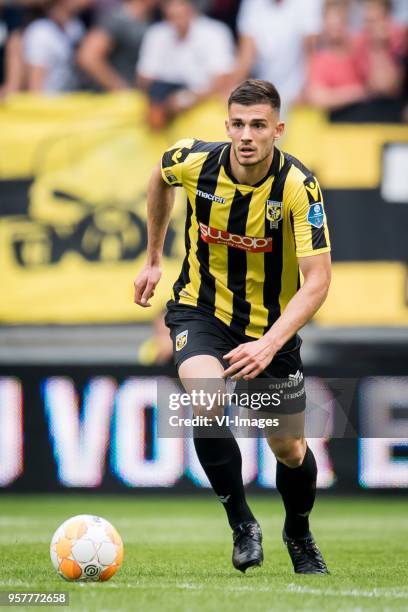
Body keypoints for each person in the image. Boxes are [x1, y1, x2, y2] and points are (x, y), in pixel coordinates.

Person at [134, 79, 331, 574]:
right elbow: (159, 175)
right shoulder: (195, 161)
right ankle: (243, 524)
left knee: (288, 448)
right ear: (227, 126)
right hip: (200, 310)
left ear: (278, 130)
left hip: (271, 329)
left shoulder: (297, 186)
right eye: (238, 124)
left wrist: (269, 343)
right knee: (205, 395)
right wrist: (154, 258)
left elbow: (317, 282)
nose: (247, 135)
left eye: (258, 126)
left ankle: (299, 533)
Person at [136, 0, 235, 129]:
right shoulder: (156, 33)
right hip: (163, 98)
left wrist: (187, 98)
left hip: (203, 105)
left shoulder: (215, 32)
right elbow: (144, 78)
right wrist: (162, 101)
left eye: (180, 5)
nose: (175, 10)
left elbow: (223, 79)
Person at [234, 0, 323, 113]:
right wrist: (234, 88)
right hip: (263, 94)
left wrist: (306, 90)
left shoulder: (308, 3)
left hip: (297, 95)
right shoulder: (252, 3)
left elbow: (311, 54)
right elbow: (246, 58)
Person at [77, 0, 157, 91]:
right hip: (111, 99)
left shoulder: (154, 20)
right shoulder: (117, 19)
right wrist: (120, 89)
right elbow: (88, 58)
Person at [306, 0, 368, 110]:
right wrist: (357, 93)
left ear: (347, 23)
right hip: (340, 121)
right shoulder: (320, 60)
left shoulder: (360, 49)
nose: (335, 30)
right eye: (331, 24)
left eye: (338, 24)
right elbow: (318, 98)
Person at [23, 0, 91, 93]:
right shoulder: (40, 31)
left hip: (73, 100)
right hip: (49, 103)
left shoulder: (76, 27)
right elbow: (35, 85)